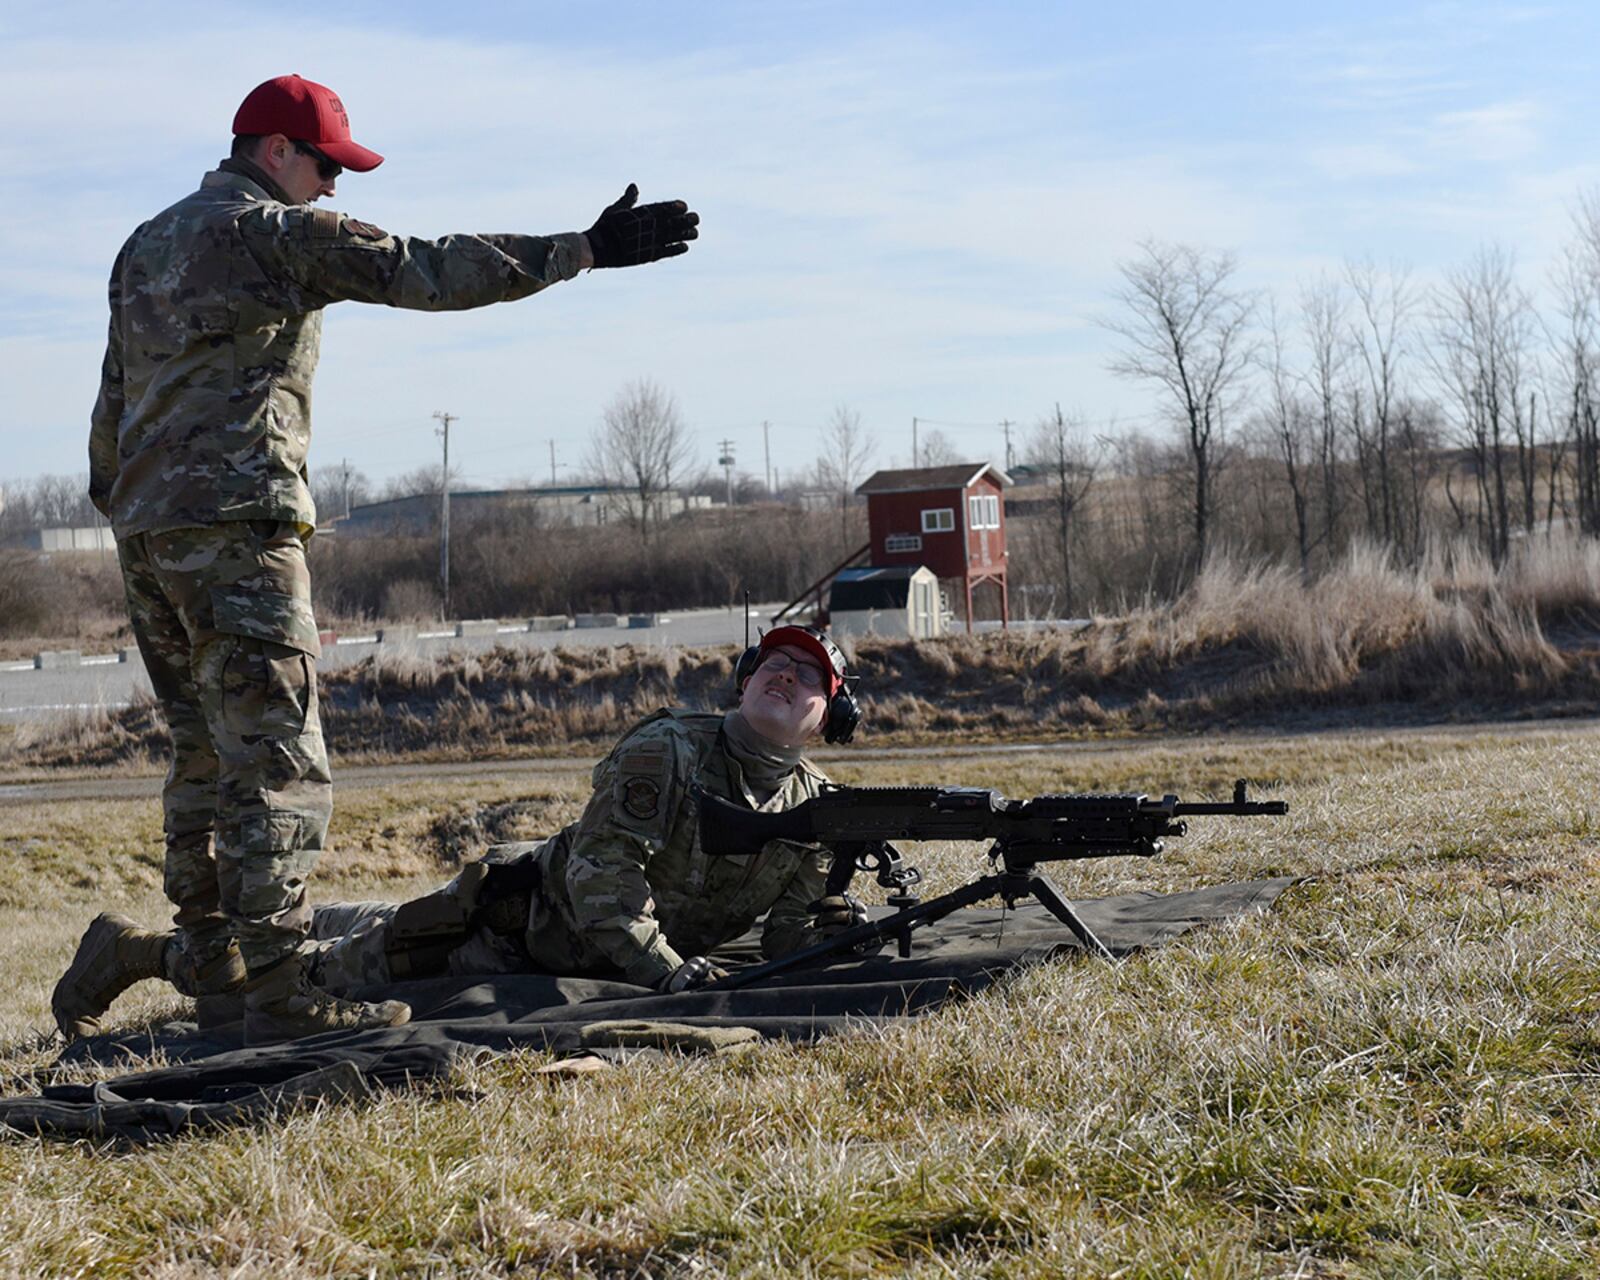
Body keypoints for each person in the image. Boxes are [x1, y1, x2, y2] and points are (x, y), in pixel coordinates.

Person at [78, 73, 700, 1044]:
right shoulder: (268, 233)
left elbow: (112, 401)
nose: (331, 187)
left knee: (204, 751)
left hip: (149, 533)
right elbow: (424, 267)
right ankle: (279, 982)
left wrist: (128, 507)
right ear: (275, 150)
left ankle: (211, 956)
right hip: (238, 524)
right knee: (281, 755)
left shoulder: (144, 244)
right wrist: (582, 250)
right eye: (326, 165)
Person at [53, 626, 868, 1035]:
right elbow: (602, 884)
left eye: (806, 680)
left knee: (346, 930)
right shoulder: (670, 752)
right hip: (509, 928)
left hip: (589, 955)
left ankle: (321, 920)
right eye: (772, 665)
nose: (783, 678)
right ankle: (137, 951)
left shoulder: (816, 808)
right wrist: (667, 974)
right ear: (744, 679)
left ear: (828, 717)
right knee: (283, 996)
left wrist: (826, 925)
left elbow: (783, 934)